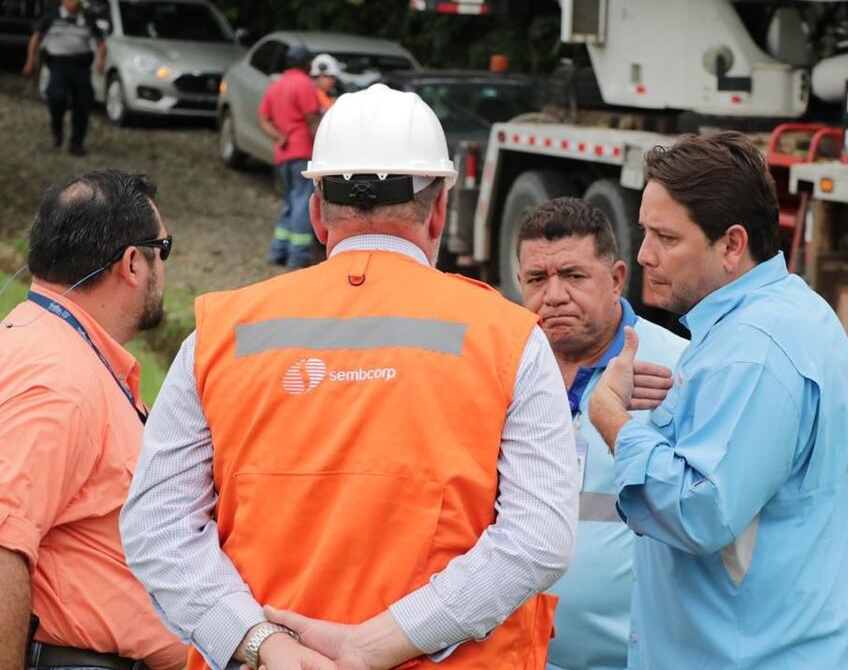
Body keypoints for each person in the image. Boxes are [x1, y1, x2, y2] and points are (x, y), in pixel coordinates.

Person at [120, 84, 577, 670]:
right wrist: (375, 644)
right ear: (439, 209)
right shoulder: (509, 337)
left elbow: (158, 527)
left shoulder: (219, 333)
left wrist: (264, 645)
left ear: (316, 211)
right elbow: (538, 538)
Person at [588, 131, 848, 669]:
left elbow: (700, 512)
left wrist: (612, 418)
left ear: (732, 245)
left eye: (666, 238)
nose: (645, 255)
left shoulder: (755, 351)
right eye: (644, 232)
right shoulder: (776, 317)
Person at [0, 169, 186, 670]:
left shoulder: (41, 343)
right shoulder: (59, 383)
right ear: (132, 262)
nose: (162, 267)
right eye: (162, 249)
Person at [515, 198, 685, 670]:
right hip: (520, 655)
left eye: (573, 276)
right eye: (536, 279)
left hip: (639, 657)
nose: (553, 296)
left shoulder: (677, 366)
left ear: (615, 278)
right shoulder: (502, 368)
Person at [259, 45, 321, 269]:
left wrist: (279, 136)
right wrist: (323, 146)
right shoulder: (304, 84)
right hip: (302, 152)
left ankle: (277, 251)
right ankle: (299, 256)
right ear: (307, 64)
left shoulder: (276, 86)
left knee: (289, 202)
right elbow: (312, 120)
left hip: (282, 154)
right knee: (303, 203)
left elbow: (263, 119)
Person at [22, 0, 106, 156]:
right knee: (56, 98)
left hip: (81, 67)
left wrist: (101, 61)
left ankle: (76, 144)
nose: (72, 3)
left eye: (75, 0)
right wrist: (30, 61)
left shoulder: (87, 19)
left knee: (82, 105)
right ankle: (57, 129)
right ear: (63, 1)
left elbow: (101, 43)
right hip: (59, 65)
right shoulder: (52, 17)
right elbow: (36, 39)